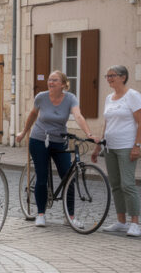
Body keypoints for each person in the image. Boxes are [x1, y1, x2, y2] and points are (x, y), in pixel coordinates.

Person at [16, 71, 96, 229]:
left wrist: (89, 134)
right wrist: (24, 132)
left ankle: (70, 217)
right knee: (42, 177)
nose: (50, 82)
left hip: (59, 141)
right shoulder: (41, 97)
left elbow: (78, 116)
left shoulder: (70, 98)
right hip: (39, 140)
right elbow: (33, 114)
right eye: (49, 79)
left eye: (55, 80)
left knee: (68, 177)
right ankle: (40, 214)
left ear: (63, 84)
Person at [91, 65, 141, 237]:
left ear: (123, 77)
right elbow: (107, 123)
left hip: (127, 146)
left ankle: (135, 223)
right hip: (110, 147)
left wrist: (137, 145)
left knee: (127, 184)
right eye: (107, 76)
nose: (109, 79)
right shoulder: (109, 98)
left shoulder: (133, 96)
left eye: (112, 75)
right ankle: (121, 221)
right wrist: (99, 145)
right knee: (115, 185)